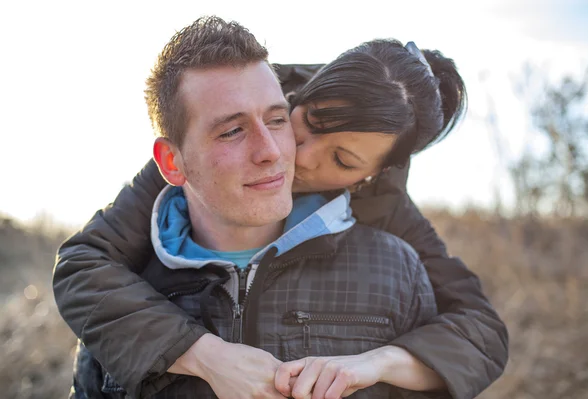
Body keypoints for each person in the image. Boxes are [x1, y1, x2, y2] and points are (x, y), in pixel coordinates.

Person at [53, 16, 507, 399]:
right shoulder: (222, 129)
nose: (297, 156)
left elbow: (480, 330)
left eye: (342, 161)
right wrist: (204, 354)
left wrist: (380, 361)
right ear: (303, 94)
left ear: (370, 176)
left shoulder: (385, 215)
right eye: (307, 122)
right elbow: (82, 263)